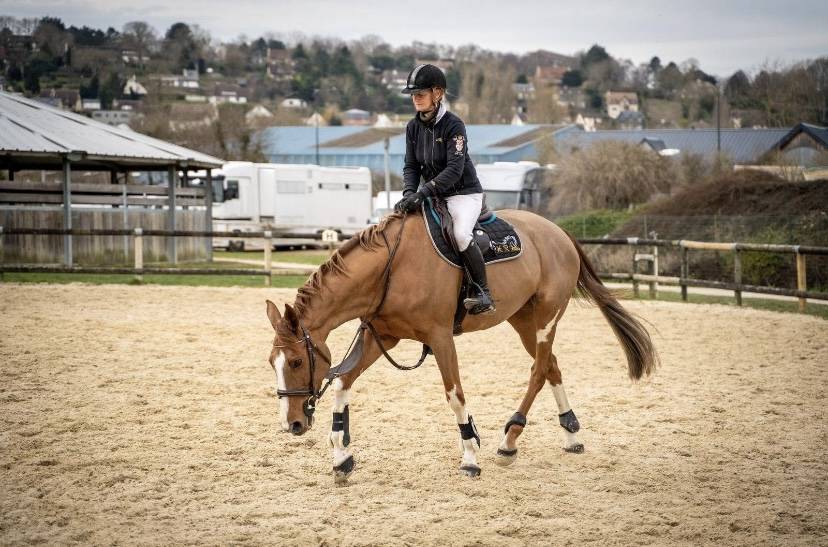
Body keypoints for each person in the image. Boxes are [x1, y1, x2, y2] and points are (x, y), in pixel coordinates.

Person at [393, 63, 495, 315]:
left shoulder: (454, 125)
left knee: (460, 235)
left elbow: (454, 169)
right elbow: (410, 165)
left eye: (421, 93)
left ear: (437, 94)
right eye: (413, 95)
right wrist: (408, 193)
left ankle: (483, 292)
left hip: (463, 193)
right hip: (433, 194)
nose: (415, 99)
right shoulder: (412, 127)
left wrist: (423, 193)